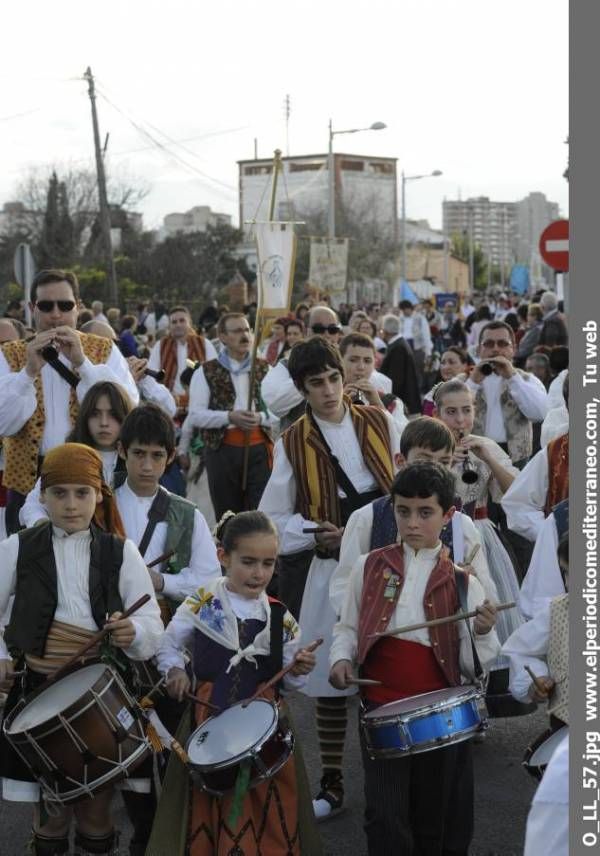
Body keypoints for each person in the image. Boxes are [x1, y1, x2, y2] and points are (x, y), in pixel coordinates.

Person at [259, 336, 399, 820]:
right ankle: (333, 780)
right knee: (331, 681)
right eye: (316, 383)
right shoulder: (292, 440)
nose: (328, 390)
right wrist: (315, 533)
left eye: (334, 379)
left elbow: (410, 480)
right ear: (302, 388)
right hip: (330, 564)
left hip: (387, 561)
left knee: (389, 669)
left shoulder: (381, 420)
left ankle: (395, 771)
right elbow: (273, 520)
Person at [0, 443, 163, 856]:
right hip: (38, 689)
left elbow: (152, 627)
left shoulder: (120, 551)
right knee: (51, 816)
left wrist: (133, 632)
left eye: (82, 493)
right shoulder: (17, 548)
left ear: (99, 495)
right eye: (60, 493)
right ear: (42, 496)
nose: (71, 505)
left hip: (101, 695)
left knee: (96, 811)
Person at [329, 463, 499, 856]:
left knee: (434, 816)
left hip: (440, 719)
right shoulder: (368, 566)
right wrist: (341, 661)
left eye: (425, 513)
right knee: (384, 817)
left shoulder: (463, 582)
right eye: (403, 511)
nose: (412, 523)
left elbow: (474, 668)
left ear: (448, 515)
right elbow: (348, 627)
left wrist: (484, 632)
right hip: (379, 707)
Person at [149, 511, 321, 856]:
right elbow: (168, 645)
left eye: (268, 563)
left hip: (265, 726)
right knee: (209, 798)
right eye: (248, 561)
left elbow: (290, 683)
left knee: (271, 803)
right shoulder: (202, 601)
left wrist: (298, 669)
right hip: (209, 719)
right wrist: (175, 671)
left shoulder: (279, 617)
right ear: (222, 557)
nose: (259, 573)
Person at [113, 403, 220, 856]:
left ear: (171, 457)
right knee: (127, 746)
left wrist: (161, 581)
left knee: (173, 743)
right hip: (114, 642)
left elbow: (209, 581)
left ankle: (177, 831)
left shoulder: (187, 513)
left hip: (171, 642)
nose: (147, 465)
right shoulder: (101, 505)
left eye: (158, 455)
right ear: (121, 452)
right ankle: (143, 833)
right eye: (138, 453)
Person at [0, 269, 139, 534]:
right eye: (46, 306)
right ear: (32, 308)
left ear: (78, 307)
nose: (55, 314)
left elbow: (127, 408)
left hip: (87, 481)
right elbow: (3, 423)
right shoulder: (10, 355)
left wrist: (83, 364)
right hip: (25, 479)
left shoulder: (105, 350)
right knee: (29, 571)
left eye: (65, 305)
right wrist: (28, 372)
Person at [330, 416, 498, 616]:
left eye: (444, 462)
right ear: (400, 461)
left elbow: (486, 598)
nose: (433, 468)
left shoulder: (461, 525)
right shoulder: (367, 518)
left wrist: (471, 581)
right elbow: (343, 587)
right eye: (424, 459)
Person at [183, 312, 273, 519]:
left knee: (261, 513)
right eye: (237, 331)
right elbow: (196, 415)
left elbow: (278, 411)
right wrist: (229, 417)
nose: (245, 336)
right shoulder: (206, 371)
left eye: (247, 330)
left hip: (259, 450)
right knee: (228, 515)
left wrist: (260, 417)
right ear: (222, 337)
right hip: (222, 451)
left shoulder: (265, 368)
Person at [20, 381, 133, 527]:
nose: (104, 422)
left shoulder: (137, 458)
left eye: (112, 415)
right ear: (85, 418)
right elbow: (31, 507)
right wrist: (46, 531)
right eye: (96, 414)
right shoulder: (68, 457)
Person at [503, 533, 569, 731]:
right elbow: (519, 650)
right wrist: (536, 682)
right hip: (567, 730)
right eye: (566, 572)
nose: (569, 584)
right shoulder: (557, 611)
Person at [466, 320, 548, 468]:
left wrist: (512, 377)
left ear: (513, 349)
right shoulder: (465, 380)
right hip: (475, 455)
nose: (496, 349)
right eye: (489, 344)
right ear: (479, 349)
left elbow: (539, 414)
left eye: (503, 344)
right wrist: (473, 383)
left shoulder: (527, 380)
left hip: (516, 457)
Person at [261, 305, 344, 430]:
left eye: (333, 329)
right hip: (300, 444)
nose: (326, 334)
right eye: (318, 329)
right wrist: (309, 371)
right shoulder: (285, 366)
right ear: (305, 331)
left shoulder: (349, 361)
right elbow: (274, 407)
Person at [147, 305, 217, 406]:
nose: (178, 325)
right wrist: (161, 398)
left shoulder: (204, 344)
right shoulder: (161, 345)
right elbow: (151, 375)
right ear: (169, 326)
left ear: (189, 323)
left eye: (182, 321)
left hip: (200, 403)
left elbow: (214, 374)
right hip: (169, 404)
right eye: (174, 322)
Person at [340, 332, 407, 436]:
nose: (361, 367)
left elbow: (404, 437)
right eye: (353, 360)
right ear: (340, 361)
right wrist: (338, 406)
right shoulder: (326, 398)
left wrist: (378, 405)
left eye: (367, 361)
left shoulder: (390, 402)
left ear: (374, 364)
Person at [378, 314, 421, 415]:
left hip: (403, 404)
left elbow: (396, 379)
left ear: (385, 331)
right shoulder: (398, 344)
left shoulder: (398, 348)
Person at [422, 346, 472, 415]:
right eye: (443, 363)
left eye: (451, 362)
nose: (446, 367)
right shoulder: (434, 392)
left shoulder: (472, 388)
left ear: (465, 365)